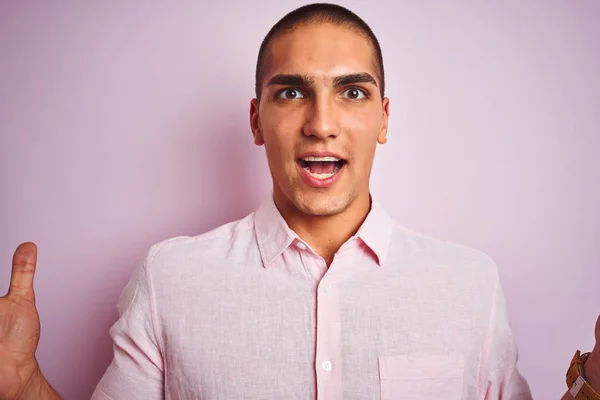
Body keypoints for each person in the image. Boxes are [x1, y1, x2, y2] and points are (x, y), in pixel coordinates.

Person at [1, 3, 598, 400]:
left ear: (383, 119)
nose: (322, 123)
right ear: (258, 121)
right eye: (292, 92)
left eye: (352, 92)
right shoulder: (170, 278)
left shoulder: (470, 283)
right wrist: (25, 386)